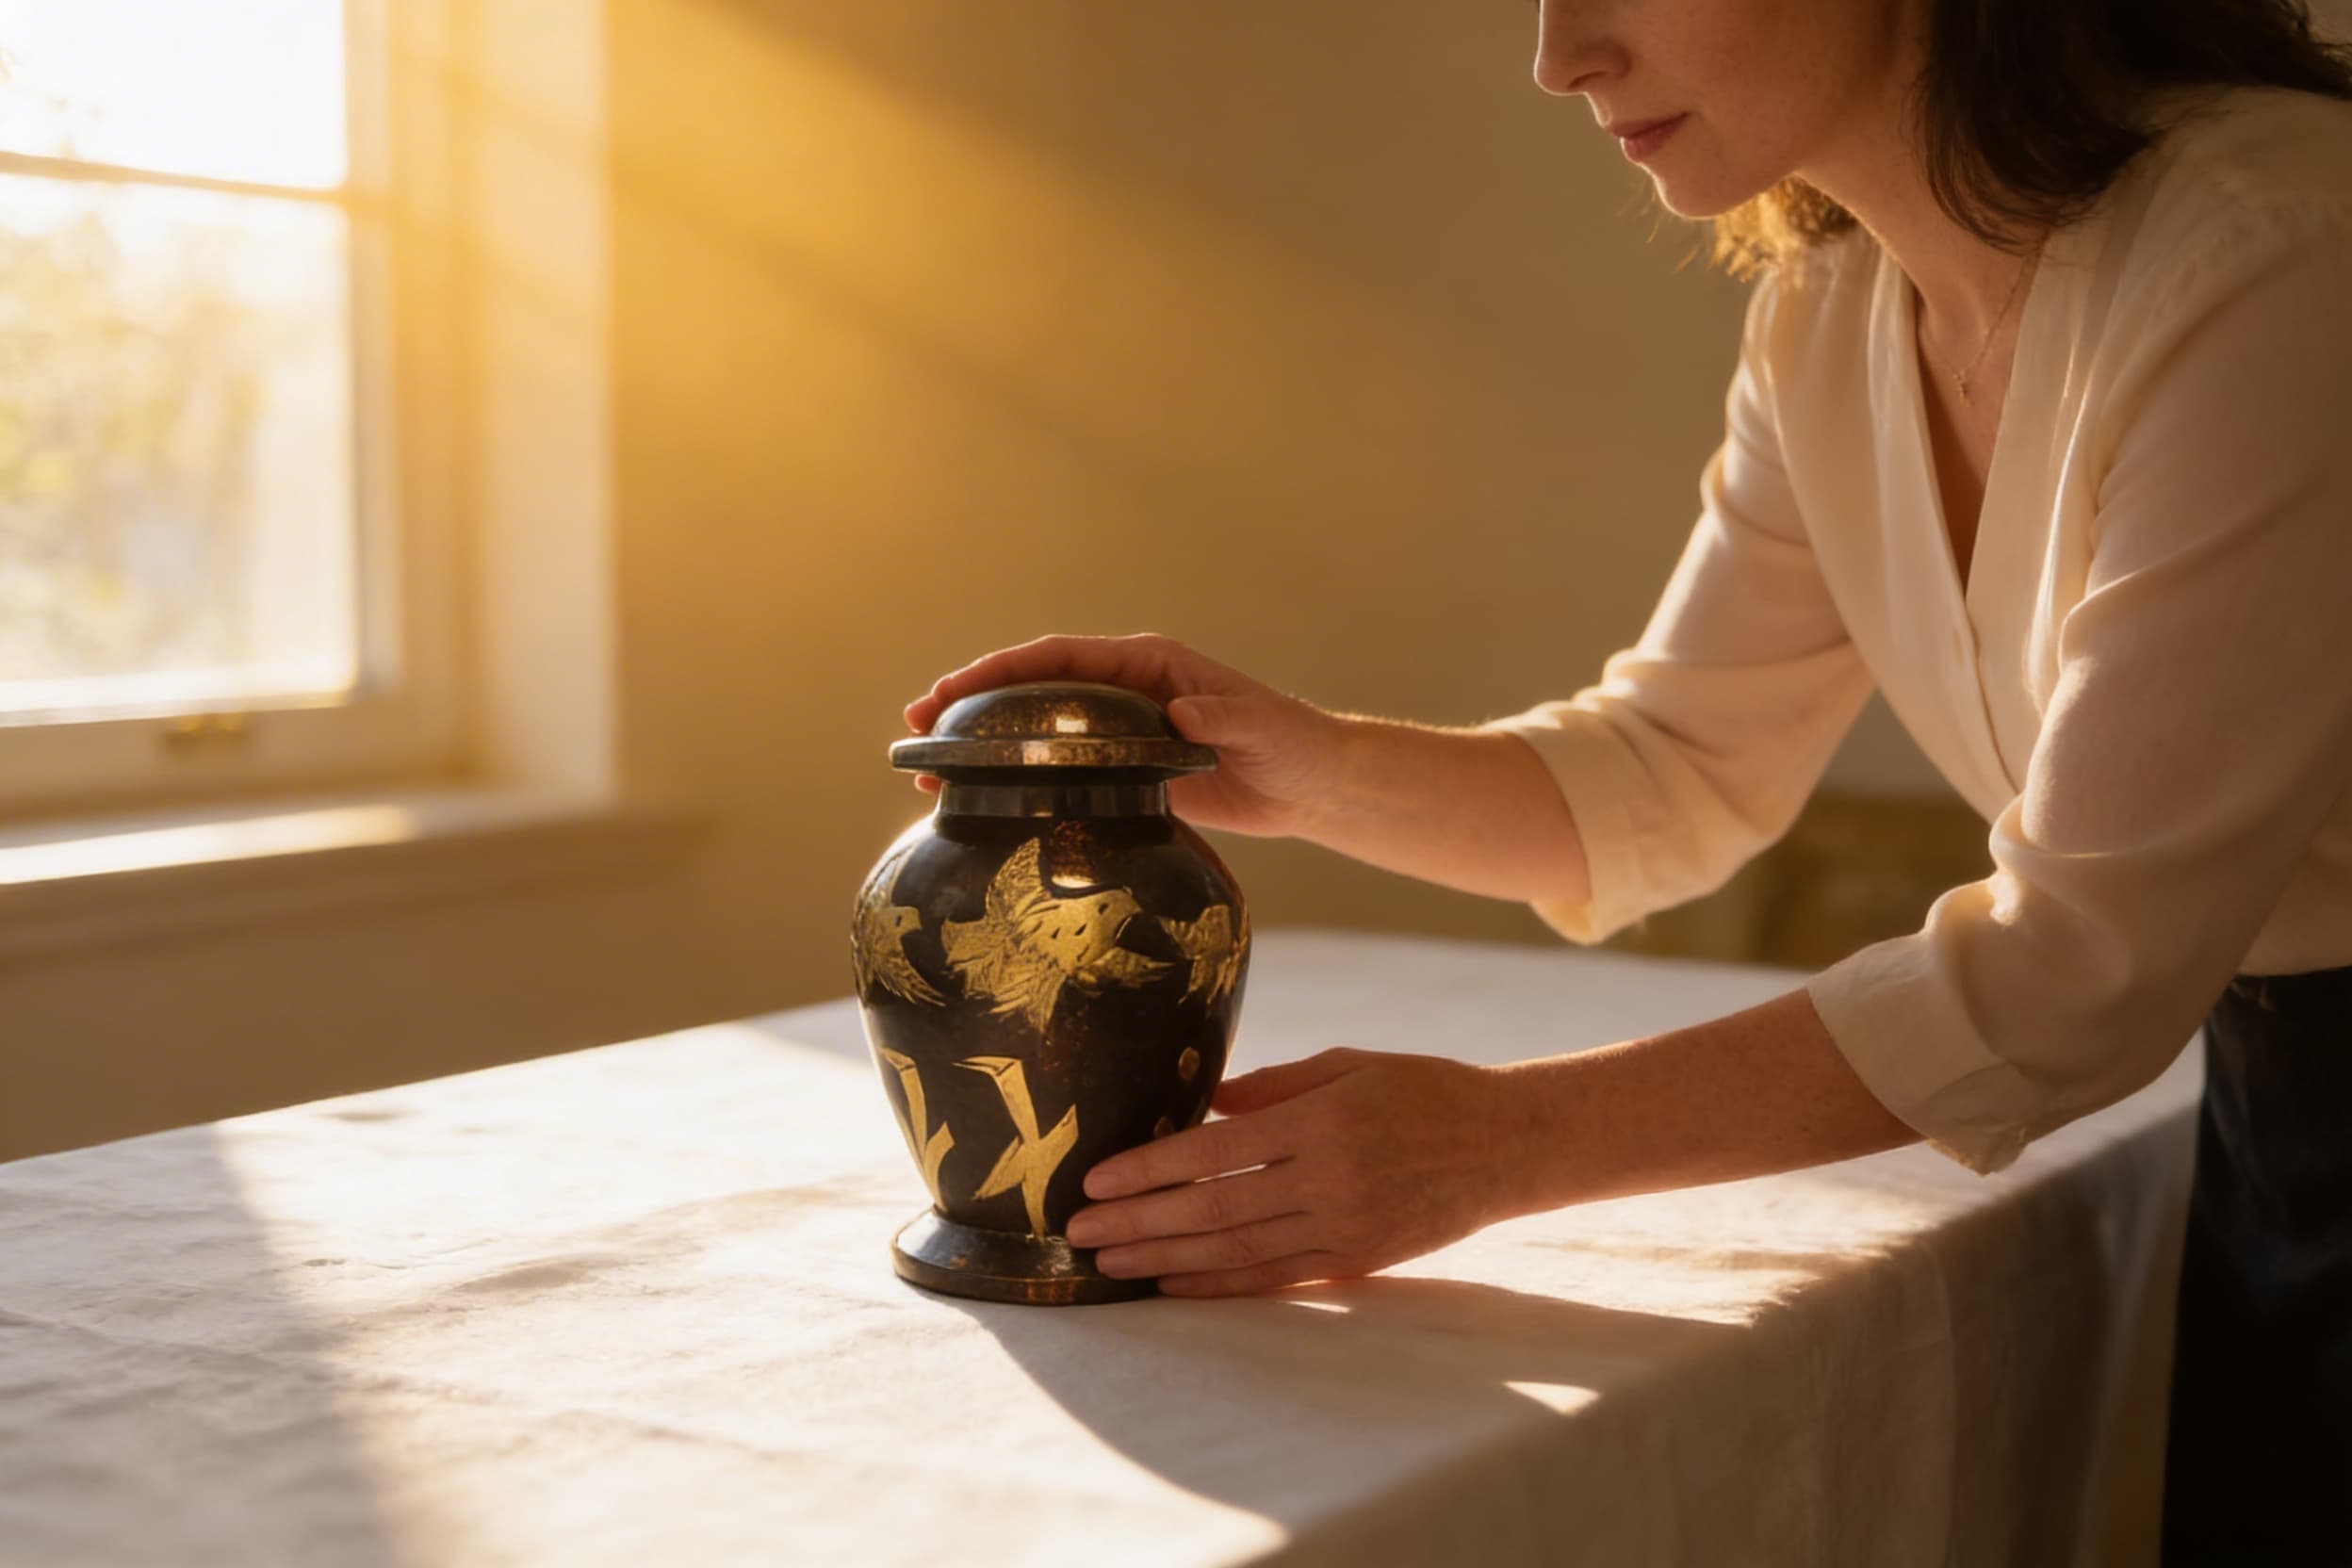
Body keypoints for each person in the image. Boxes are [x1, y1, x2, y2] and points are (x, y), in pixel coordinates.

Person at [901, 1, 2352, 1557]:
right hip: (2283, 1103)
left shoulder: (2284, 246)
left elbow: (2078, 966)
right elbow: (1672, 767)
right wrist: (1294, 760)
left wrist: (1496, 1148)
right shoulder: (1835, 311)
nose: (1559, 55)